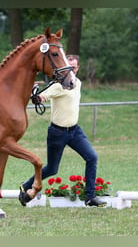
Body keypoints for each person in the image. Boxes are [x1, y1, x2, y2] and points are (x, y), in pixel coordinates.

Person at [19, 54, 107, 207]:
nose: (71, 70)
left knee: (92, 157)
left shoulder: (77, 83)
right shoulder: (57, 86)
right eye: (69, 67)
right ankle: (26, 186)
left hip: (75, 131)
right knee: (52, 169)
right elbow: (43, 96)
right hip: (57, 133)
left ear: (77, 69)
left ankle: (90, 197)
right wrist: (37, 97)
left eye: (74, 67)